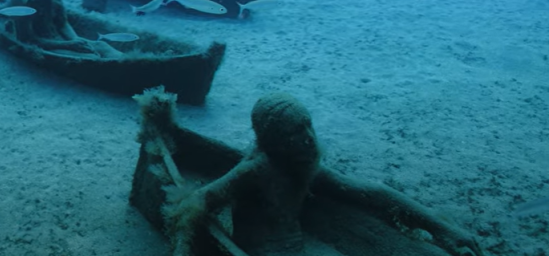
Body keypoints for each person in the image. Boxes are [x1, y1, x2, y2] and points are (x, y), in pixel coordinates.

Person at [139, 90, 484, 256]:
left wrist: (443, 228)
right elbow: (201, 199)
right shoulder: (257, 170)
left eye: (308, 126)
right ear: (272, 141)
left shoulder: (304, 165)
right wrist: (184, 242)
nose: (306, 137)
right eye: (293, 133)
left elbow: (370, 192)